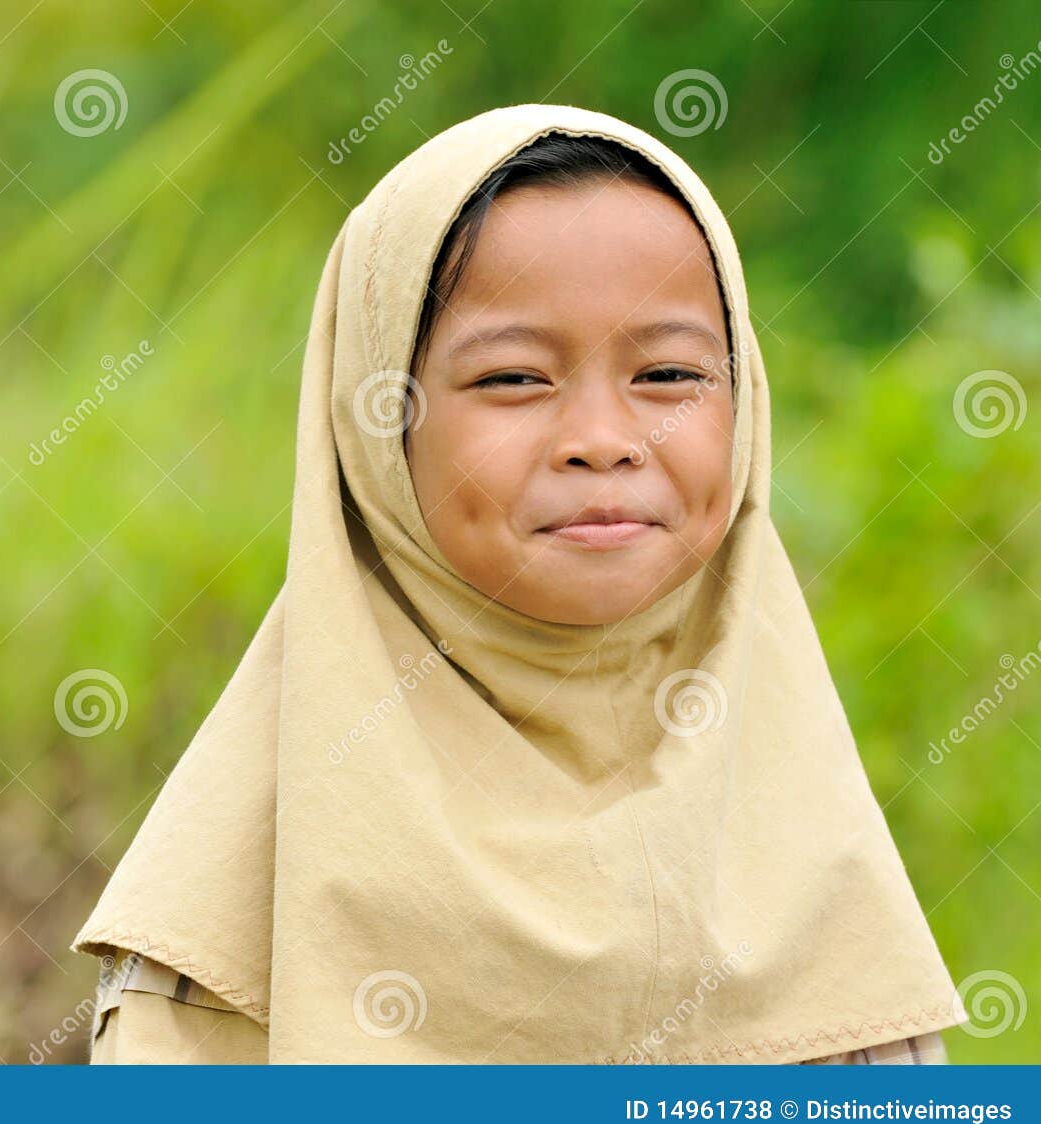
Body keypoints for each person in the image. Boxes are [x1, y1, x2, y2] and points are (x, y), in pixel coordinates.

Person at [71, 104, 968, 1064]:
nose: (603, 439)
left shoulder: (825, 879)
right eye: (512, 380)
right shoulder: (221, 929)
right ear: (378, 414)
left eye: (667, 373)